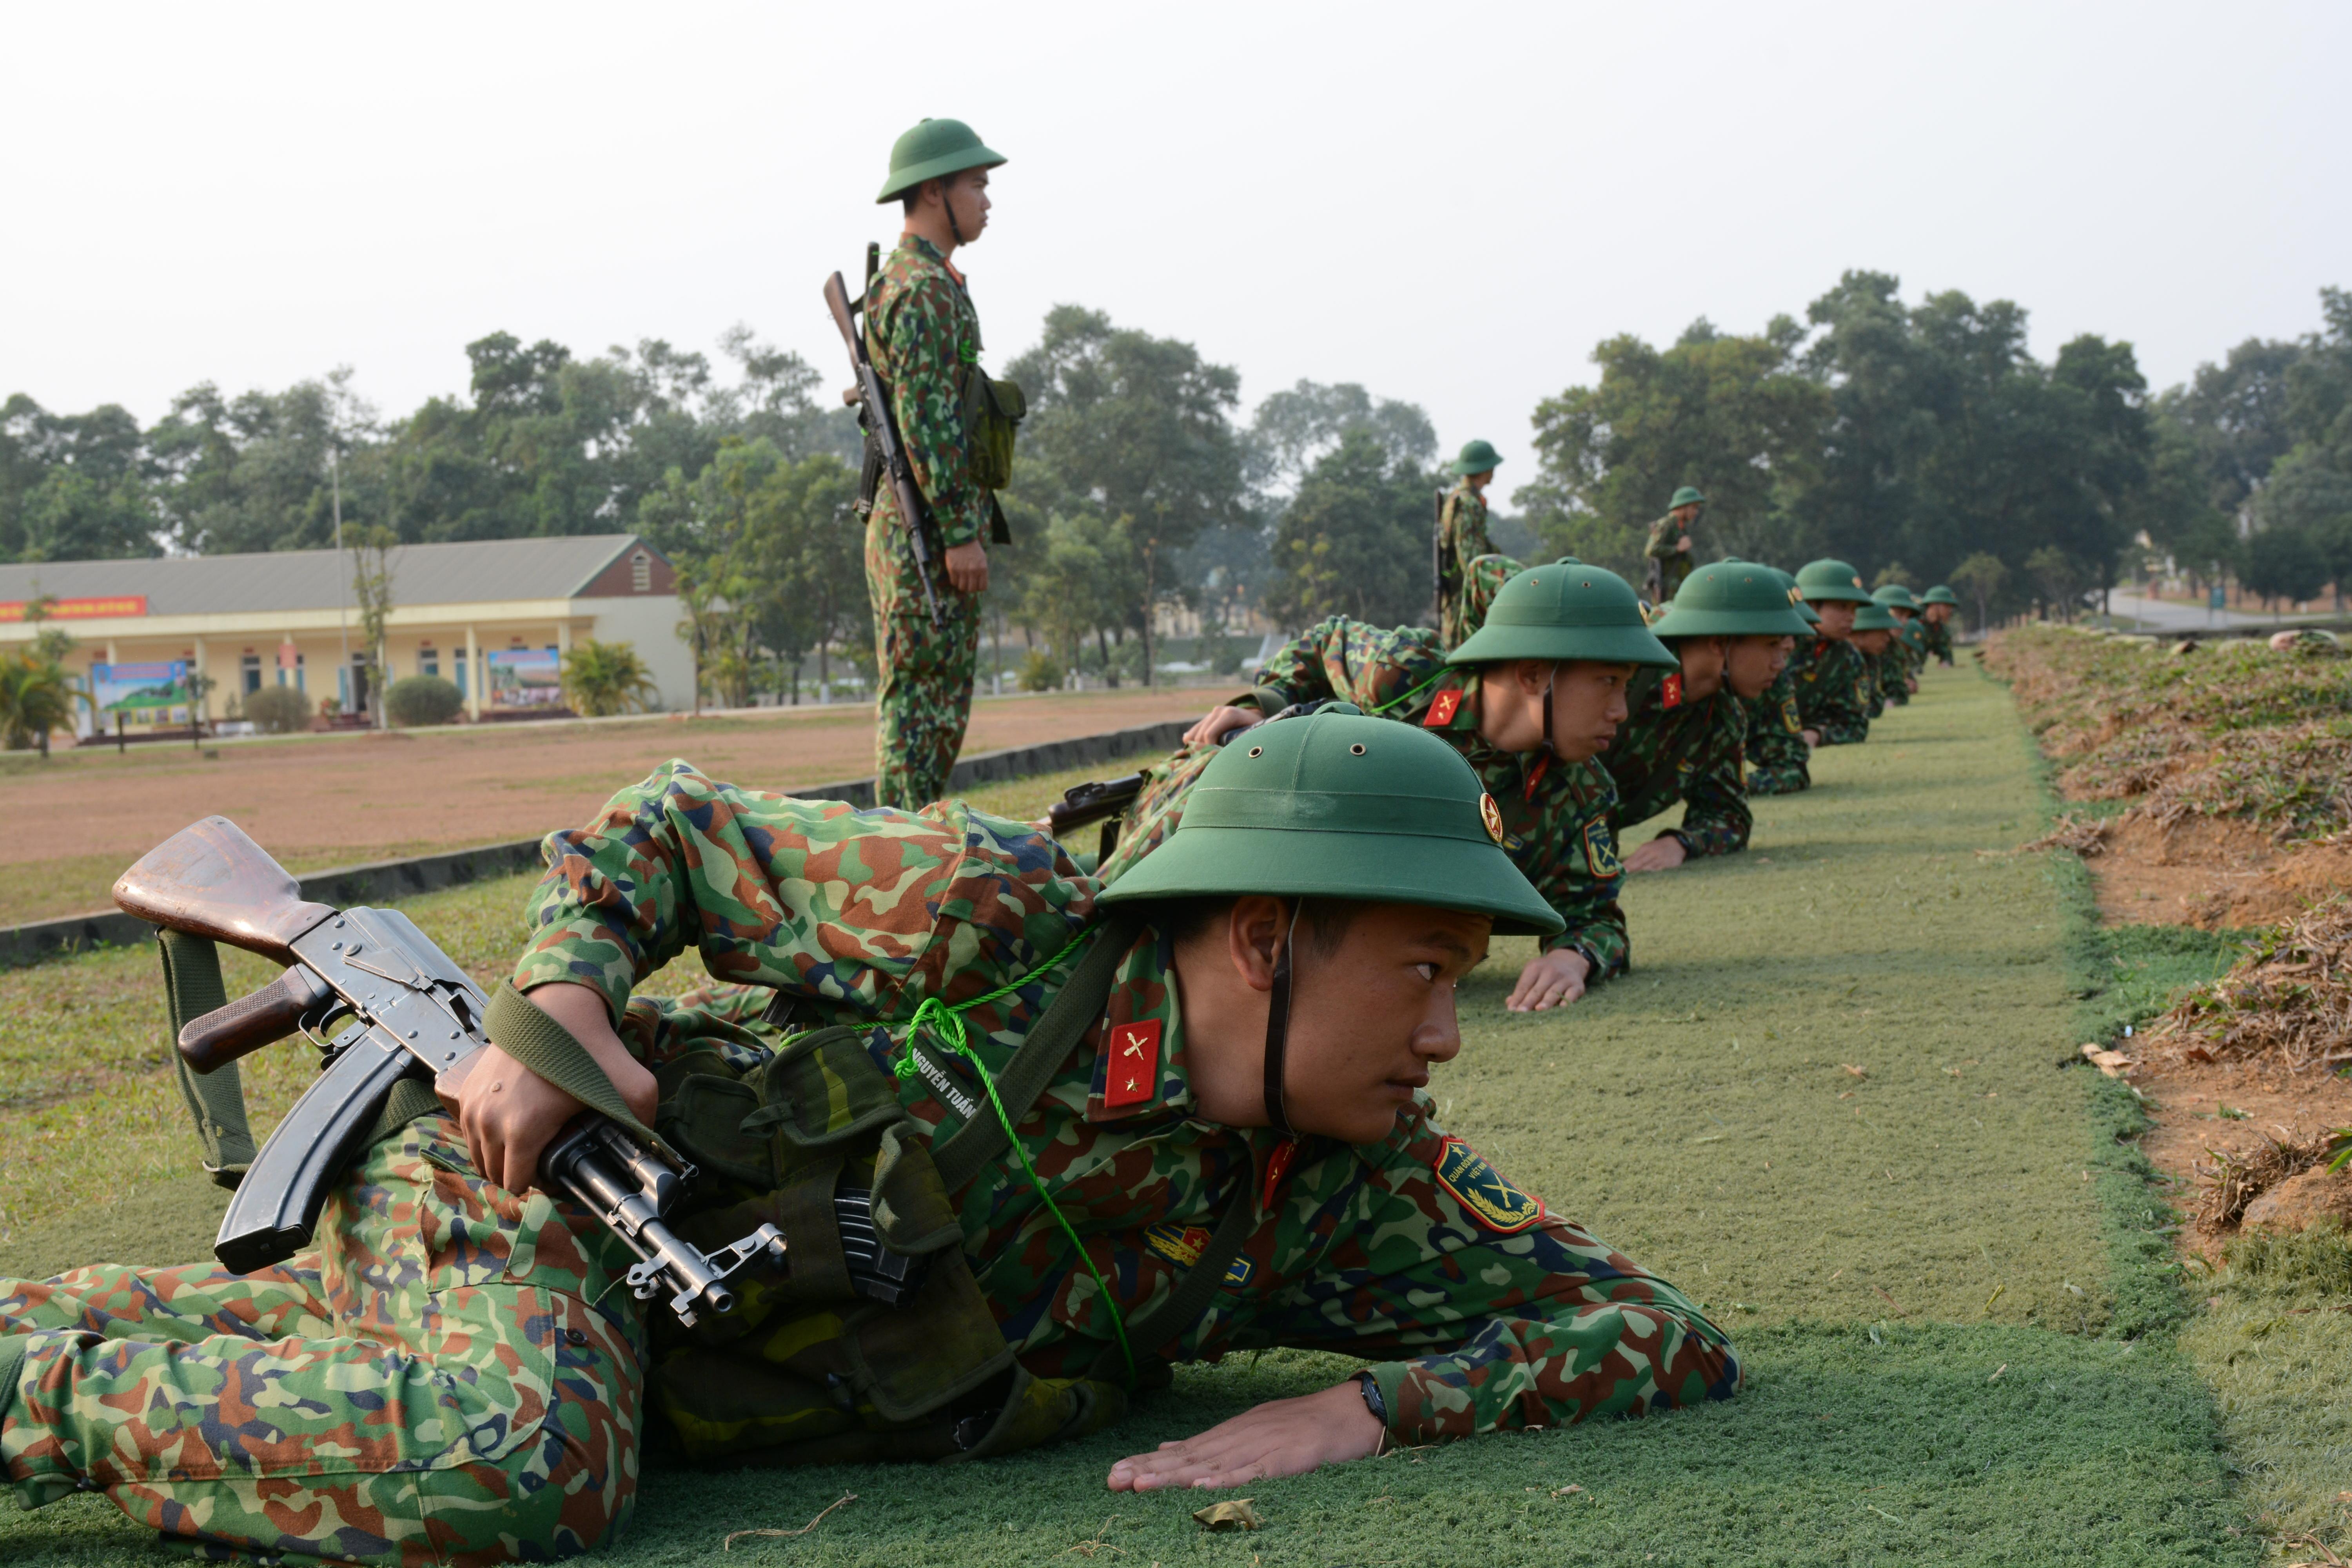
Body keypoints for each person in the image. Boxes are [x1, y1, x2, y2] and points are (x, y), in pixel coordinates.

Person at [0, 719, 1742, 1563]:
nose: (1447, 1034)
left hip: (673, 1333)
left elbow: (1656, 1327)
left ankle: (39, 1333)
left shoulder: (1339, 1198)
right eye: (1422, 971)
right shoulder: (1004, 917)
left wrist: (1367, 1402)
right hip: (522, 1167)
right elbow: (659, 827)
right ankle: (39, 1396)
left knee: (437, 1371)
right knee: (522, 1448)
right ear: (1265, 937)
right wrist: (562, 1008)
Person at [1099, 558, 1678, 1011]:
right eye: (1607, 682)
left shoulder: (1582, 792)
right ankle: (1096, 927)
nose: (1622, 711)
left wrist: (1576, 956)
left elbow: (1597, 914)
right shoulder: (1409, 679)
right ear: (1532, 674)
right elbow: (1326, 642)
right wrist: (1264, 708)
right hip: (1208, 832)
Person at [864, 117, 1013, 809]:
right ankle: (900, 856)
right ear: (934, 191)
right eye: (976, 185)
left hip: (920, 522)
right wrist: (958, 530)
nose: (987, 200)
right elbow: (927, 417)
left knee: (932, 706)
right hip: (926, 530)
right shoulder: (920, 289)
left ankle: (908, 845)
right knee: (921, 711)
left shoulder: (924, 282)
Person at [1610, 561, 1810, 872]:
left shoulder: (1722, 720)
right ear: (1719, 643)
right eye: (1771, 645)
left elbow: (1729, 817)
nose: (1780, 663)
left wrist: (1680, 843)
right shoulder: (1624, 672)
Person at [1744, 566, 1817, 797]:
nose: (1791, 645)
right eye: (1778, 635)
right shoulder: (1660, 672)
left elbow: (1792, 766)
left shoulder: (1774, 676)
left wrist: (1729, 787)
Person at [1788, 559, 1875, 747]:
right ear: (1811, 605)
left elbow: (1855, 725)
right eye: (1842, 607)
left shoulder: (1848, 658)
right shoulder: (1778, 646)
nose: (1851, 617)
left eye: (1854, 609)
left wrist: (1816, 734)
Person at [1436, 441, 1501, 646]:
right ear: (1484, 469)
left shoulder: (1460, 499)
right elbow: (1471, 559)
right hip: (1462, 596)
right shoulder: (1469, 504)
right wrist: (1482, 596)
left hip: (1460, 592)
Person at [1642, 486, 1706, 603]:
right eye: (1694, 507)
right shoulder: (1668, 524)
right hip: (1666, 590)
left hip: (1677, 588)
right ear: (1683, 506)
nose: (1696, 512)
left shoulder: (1680, 527)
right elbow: (1651, 550)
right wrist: (1677, 549)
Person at [1869, 584, 1923, 706]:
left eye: (1907, 617)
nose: (1905, 622)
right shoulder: (1859, 646)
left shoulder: (1895, 649)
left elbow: (1899, 689)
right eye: (1901, 614)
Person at [1850, 600, 1902, 717]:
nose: (1887, 639)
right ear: (1863, 631)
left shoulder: (1870, 659)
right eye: (1883, 632)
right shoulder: (1841, 658)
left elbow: (1873, 706)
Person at [1919, 585, 1959, 664]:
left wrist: (1946, 663)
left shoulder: (1941, 629)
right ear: (1935, 605)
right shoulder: (1915, 621)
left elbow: (1947, 656)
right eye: (1947, 606)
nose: (1950, 611)